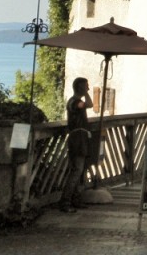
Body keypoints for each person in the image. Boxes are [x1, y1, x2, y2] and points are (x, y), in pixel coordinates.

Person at [59, 77, 93, 213]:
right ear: (80, 88)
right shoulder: (75, 102)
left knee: (80, 170)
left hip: (81, 138)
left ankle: (75, 199)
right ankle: (65, 202)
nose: (88, 88)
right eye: (86, 86)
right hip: (77, 139)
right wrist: (85, 94)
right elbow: (89, 105)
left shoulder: (75, 101)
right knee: (76, 171)